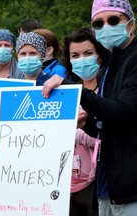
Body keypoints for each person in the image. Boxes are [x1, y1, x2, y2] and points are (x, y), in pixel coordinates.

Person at [42, 0, 137, 215]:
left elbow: (124, 112)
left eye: (113, 20)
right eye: (98, 23)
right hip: (111, 185)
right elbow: (108, 123)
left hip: (131, 185)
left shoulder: (133, 60)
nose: (106, 27)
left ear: (131, 23)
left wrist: (73, 90)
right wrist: (89, 125)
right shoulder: (111, 65)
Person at [63, 27, 110, 216]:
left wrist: (78, 133)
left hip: (100, 185)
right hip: (67, 186)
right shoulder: (65, 92)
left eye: (88, 53)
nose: (81, 59)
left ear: (99, 55)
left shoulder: (108, 92)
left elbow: (108, 135)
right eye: (75, 55)